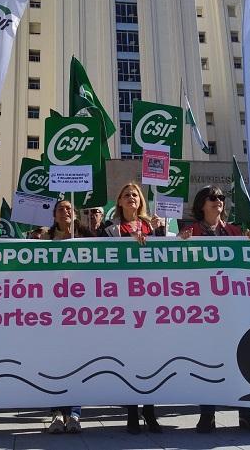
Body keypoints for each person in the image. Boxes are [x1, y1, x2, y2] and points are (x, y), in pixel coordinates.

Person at [181, 185, 250, 434]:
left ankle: (246, 414)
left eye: (221, 197)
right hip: (203, 310)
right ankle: (207, 414)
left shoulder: (236, 232)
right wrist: (180, 243)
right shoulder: (190, 232)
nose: (218, 201)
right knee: (207, 361)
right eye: (212, 197)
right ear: (201, 204)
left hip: (232, 309)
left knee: (241, 359)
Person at [102, 183, 163, 434]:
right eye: (126, 194)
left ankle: (149, 411)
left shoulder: (154, 226)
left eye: (135, 195)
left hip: (150, 302)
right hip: (122, 303)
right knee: (127, 358)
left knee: (149, 359)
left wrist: (159, 236)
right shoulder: (110, 230)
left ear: (141, 201)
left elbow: (167, 259)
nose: (131, 198)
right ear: (119, 201)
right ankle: (131, 413)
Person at [43, 199, 93, 433]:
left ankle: (74, 413)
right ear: (54, 215)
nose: (65, 211)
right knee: (53, 362)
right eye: (61, 209)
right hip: (50, 310)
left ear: (75, 214)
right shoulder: (43, 239)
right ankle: (55, 414)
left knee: (76, 362)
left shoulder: (89, 237)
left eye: (69, 208)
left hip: (79, 310)